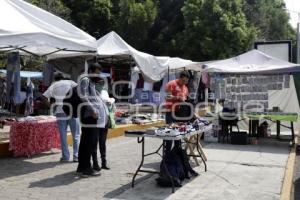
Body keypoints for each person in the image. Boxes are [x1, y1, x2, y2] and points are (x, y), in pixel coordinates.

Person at [76, 63, 108, 177]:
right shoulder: (85, 79)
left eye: (99, 73)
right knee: (89, 143)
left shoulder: (90, 81)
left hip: (91, 116)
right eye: (97, 72)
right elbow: (83, 96)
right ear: (90, 70)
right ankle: (86, 168)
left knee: (86, 142)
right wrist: (93, 109)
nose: (98, 75)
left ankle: (81, 167)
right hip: (89, 116)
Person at [42, 73, 80, 162]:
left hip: (60, 112)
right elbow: (80, 90)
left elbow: (43, 97)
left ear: (55, 79)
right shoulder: (71, 82)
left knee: (63, 136)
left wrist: (51, 106)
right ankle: (76, 156)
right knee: (76, 134)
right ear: (63, 78)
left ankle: (65, 157)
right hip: (72, 110)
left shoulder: (53, 85)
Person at [91, 77, 114, 170]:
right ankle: (95, 163)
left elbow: (109, 102)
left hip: (105, 119)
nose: (101, 85)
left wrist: (110, 102)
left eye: (102, 83)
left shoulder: (104, 92)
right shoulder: (92, 93)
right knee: (94, 143)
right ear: (95, 84)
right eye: (99, 83)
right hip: (96, 121)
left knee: (102, 142)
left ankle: (104, 162)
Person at [164, 71, 190, 152]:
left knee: (178, 134)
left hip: (180, 113)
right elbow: (167, 96)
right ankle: (167, 155)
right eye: (183, 81)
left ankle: (176, 154)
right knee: (170, 134)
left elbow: (185, 99)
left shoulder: (185, 88)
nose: (184, 83)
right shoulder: (171, 84)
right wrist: (178, 98)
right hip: (170, 111)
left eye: (186, 81)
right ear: (180, 78)